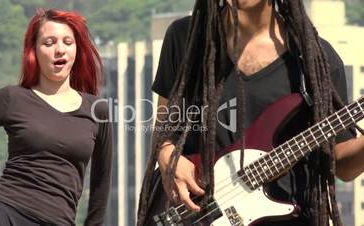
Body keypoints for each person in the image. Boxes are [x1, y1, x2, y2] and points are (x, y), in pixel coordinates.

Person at [137, 0, 364, 226]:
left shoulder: (315, 59)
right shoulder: (185, 37)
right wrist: (168, 155)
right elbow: (166, 127)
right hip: (193, 213)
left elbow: (342, 165)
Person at [0, 9, 113, 226]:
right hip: (3, 216)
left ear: (77, 50)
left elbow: (102, 180)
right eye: (49, 43)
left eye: (67, 42)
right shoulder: (13, 98)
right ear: (34, 51)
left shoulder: (97, 110)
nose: (59, 49)